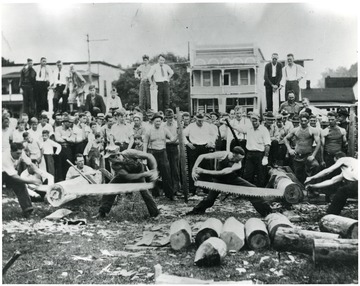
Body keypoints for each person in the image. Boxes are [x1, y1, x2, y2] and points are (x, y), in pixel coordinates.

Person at [186, 147, 272, 217]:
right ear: (234, 154)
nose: (240, 161)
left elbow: (222, 172)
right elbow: (202, 156)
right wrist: (194, 170)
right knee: (210, 199)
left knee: (252, 189)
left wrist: (203, 171)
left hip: (232, 179)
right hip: (219, 180)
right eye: (239, 158)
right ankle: (197, 211)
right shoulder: (223, 154)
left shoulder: (238, 164)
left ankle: (267, 212)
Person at [97, 145, 160, 218]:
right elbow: (128, 177)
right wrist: (145, 174)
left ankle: (155, 213)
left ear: (116, 156)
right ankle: (102, 212)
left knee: (144, 192)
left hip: (138, 171)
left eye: (110, 158)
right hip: (128, 175)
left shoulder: (129, 153)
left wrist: (154, 170)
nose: (109, 160)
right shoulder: (115, 165)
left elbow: (149, 156)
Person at [143, 112, 177, 200]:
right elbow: (145, 143)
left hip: (162, 152)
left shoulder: (164, 129)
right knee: (154, 173)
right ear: (153, 121)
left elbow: (172, 139)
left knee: (166, 173)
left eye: (159, 121)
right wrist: (145, 156)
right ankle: (155, 194)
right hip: (152, 152)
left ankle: (170, 194)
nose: (158, 123)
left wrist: (178, 134)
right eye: (156, 121)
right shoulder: (149, 130)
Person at [2, 143, 40, 217]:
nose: (19, 155)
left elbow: (31, 164)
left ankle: (27, 209)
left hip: (9, 172)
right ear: (11, 151)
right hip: (2, 172)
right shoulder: (4, 158)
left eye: (20, 153)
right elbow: (15, 177)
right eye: (17, 153)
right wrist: (32, 181)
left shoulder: (21, 153)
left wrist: (40, 173)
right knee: (20, 181)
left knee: (20, 185)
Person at [183, 113, 216, 195]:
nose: (200, 122)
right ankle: (192, 189)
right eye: (199, 120)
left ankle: (206, 189)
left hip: (205, 147)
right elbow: (182, 134)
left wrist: (211, 142)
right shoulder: (191, 126)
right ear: (195, 119)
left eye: (202, 120)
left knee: (206, 167)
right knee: (193, 167)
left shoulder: (207, 125)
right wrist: (187, 143)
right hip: (194, 148)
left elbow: (214, 134)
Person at [284, 112, 320, 184]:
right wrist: (290, 149)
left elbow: (318, 143)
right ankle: (300, 191)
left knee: (316, 166)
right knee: (298, 176)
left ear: (308, 121)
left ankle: (311, 188)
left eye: (305, 121)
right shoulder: (295, 130)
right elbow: (285, 139)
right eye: (302, 121)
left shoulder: (312, 130)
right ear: (299, 120)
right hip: (297, 156)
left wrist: (313, 155)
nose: (303, 123)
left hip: (308, 156)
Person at [240, 113, 271, 187]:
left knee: (261, 175)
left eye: (256, 121)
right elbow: (239, 128)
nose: (254, 123)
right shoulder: (249, 128)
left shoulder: (264, 130)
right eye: (253, 121)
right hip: (250, 154)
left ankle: (260, 194)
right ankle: (248, 192)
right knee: (248, 174)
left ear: (259, 121)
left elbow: (267, 144)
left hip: (260, 154)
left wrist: (266, 157)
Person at [163, 109, 181, 195]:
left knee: (175, 168)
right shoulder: (163, 126)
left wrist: (174, 140)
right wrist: (170, 141)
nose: (170, 119)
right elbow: (162, 138)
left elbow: (179, 136)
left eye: (171, 117)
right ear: (165, 117)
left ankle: (176, 189)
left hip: (174, 148)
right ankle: (168, 189)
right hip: (165, 147)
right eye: (168, 117)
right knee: (167, 168)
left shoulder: (177, 125)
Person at [55, 116, 76, 180]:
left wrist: (65, 137)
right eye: (68, 122)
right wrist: (68, 139)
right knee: (60, 166)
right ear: (63, 122)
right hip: (60, 148)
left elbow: (73, 140)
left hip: (68, 149)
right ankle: (60, 180)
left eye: (70, 122)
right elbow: (58, 139)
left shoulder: (71, 130)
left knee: (68, 164)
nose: (69, 124)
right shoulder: (58, 129)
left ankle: (67, 179)